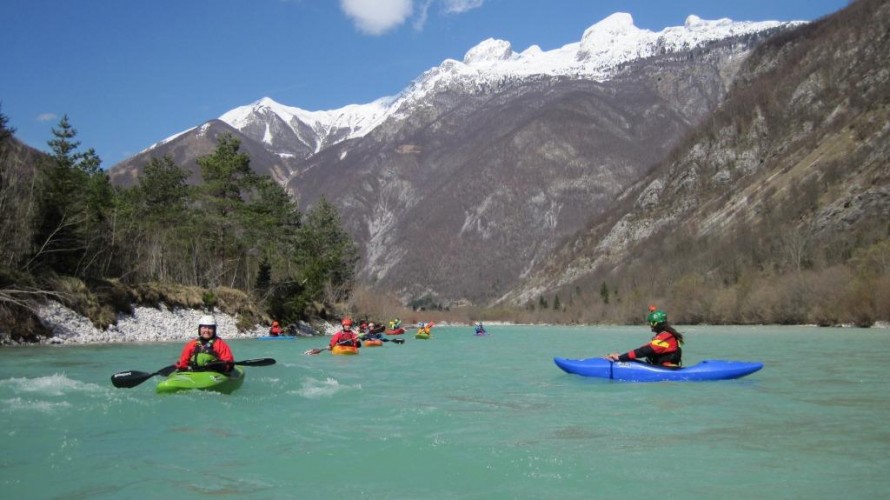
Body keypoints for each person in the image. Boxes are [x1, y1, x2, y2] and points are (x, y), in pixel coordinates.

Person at [606, 309, 684, 367]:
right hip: (662, 368)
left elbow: (644, 351)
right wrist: (623, 356)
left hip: (666, 370)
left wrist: (620, 358)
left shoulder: (666, 337)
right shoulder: (666, 335)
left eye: (651, 323)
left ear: (656, 323)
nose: (650, 325)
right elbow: (645, 348)